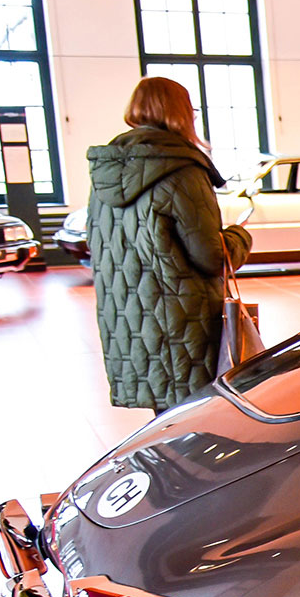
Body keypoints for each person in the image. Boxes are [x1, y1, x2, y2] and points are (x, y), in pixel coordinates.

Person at [87, 76, 253, 411]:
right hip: (182, 323)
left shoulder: (106, 172)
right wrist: (239, 237)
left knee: (165, 417)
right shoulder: (183, 169)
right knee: (198, 416)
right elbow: (210, 256)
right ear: (182, 113)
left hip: (128, 319)